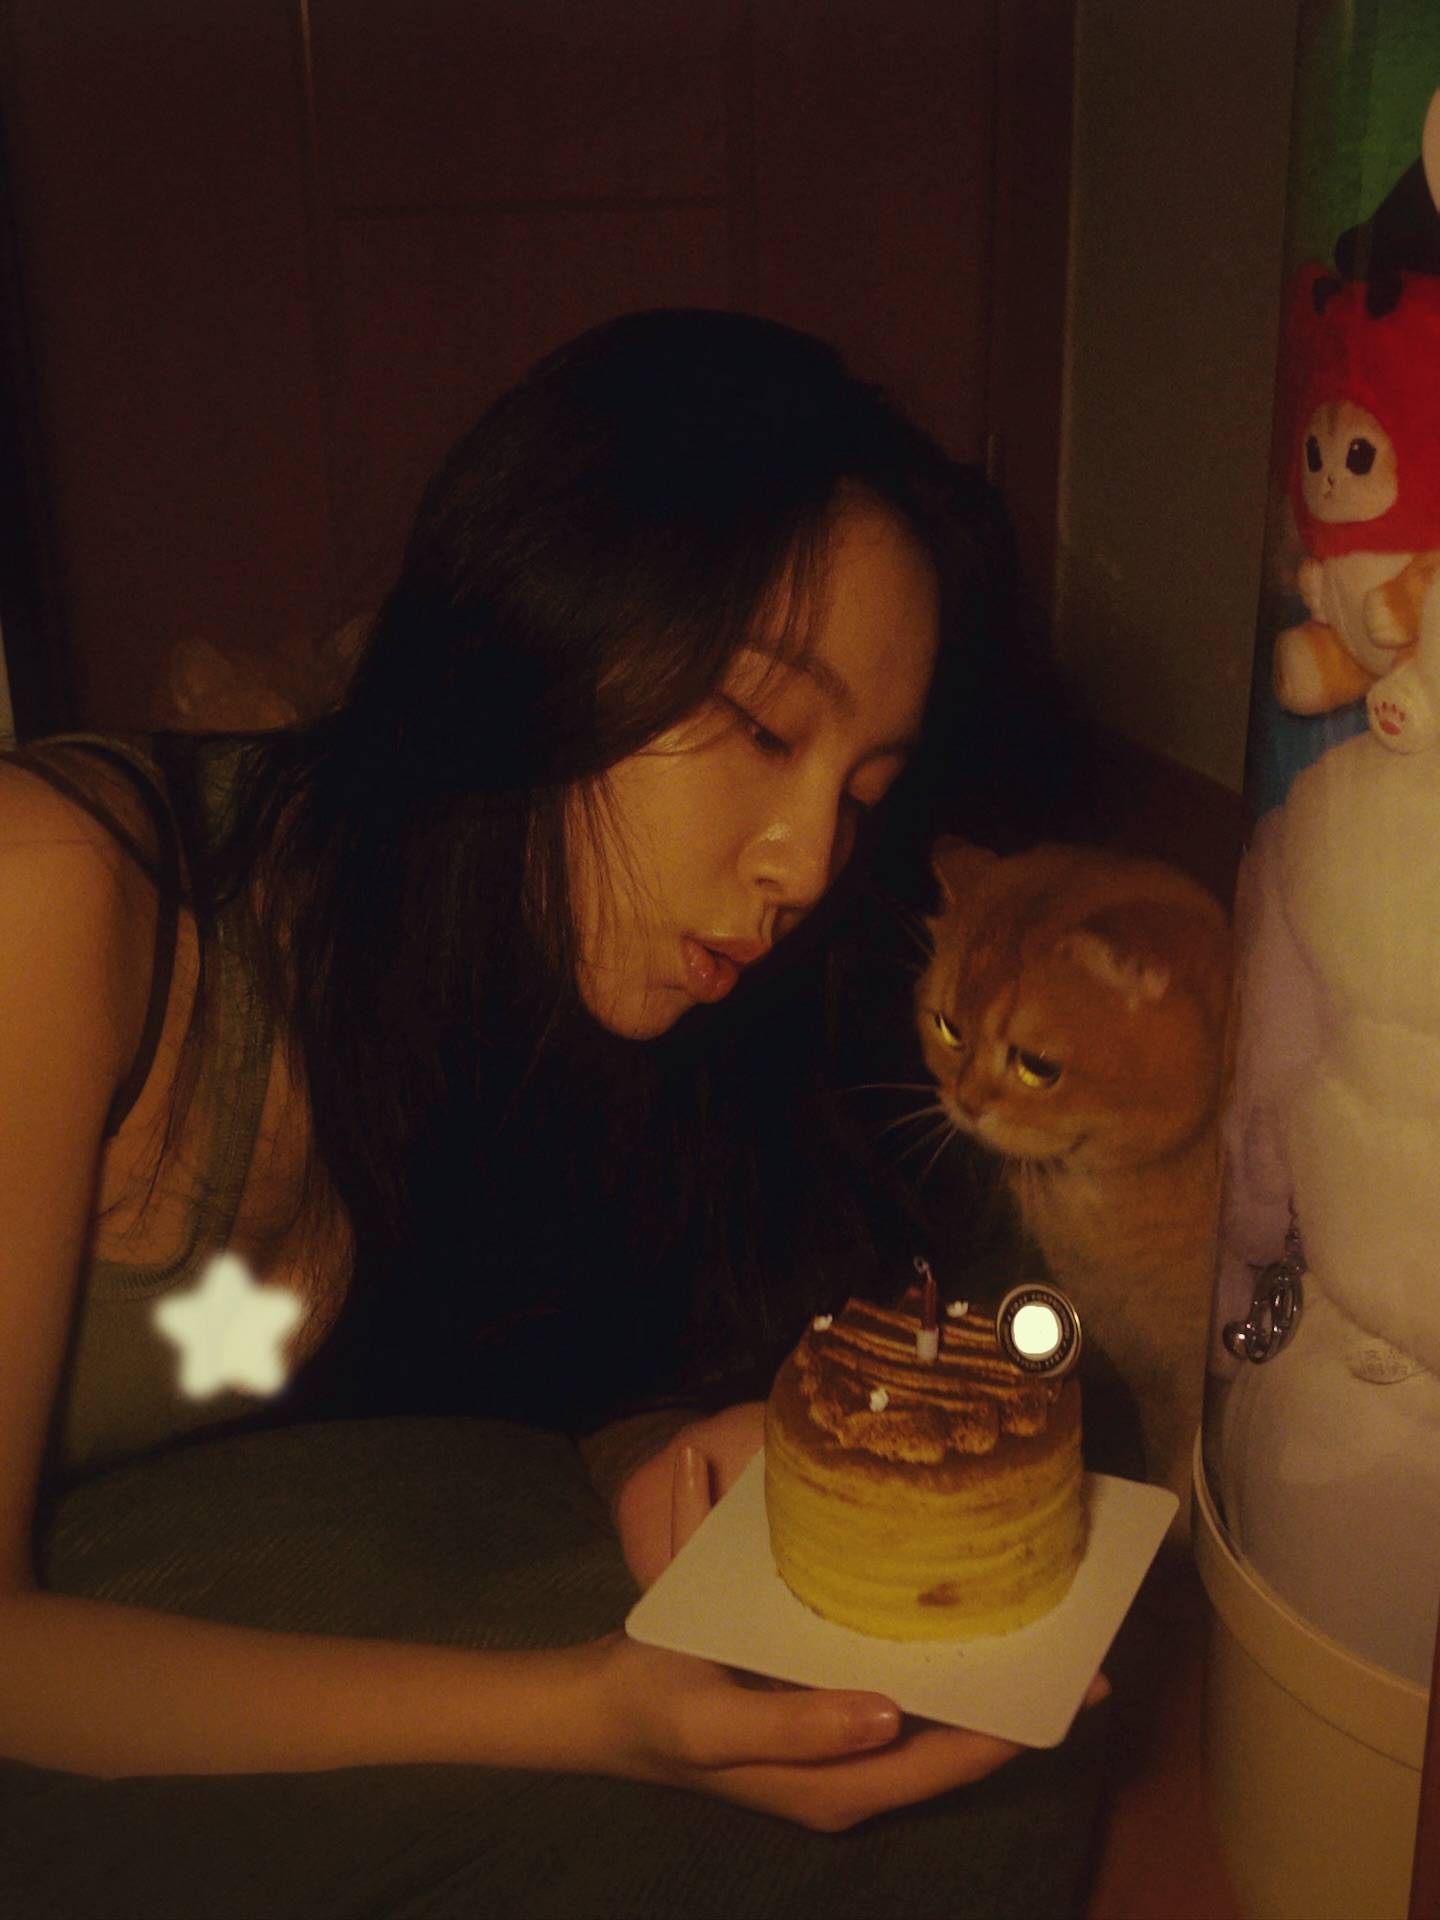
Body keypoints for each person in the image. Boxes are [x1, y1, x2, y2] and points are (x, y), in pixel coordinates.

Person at [0, 309, 1105, 1915]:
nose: (806, 863)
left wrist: (663, 1455)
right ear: (542, 624)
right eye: (762, 729)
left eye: (862, 792)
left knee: (969, 1786)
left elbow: (548, 1330)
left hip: (174, 1551)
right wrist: (583, 1716)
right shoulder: (54, 896)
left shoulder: (548, 965)